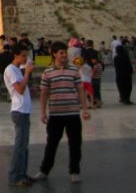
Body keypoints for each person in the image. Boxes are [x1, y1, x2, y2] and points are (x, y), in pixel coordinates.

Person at [32, 41, 90, 184]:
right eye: (61, 53)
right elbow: (44, 93)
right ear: (54, 54)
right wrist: (43, 112)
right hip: (56, 114)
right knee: (51, 144)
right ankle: (44, 170)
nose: (64, 55)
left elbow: (80, 90)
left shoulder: (73, 70)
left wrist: (85, 109)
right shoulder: (48, 72)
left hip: (72, 114)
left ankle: (75, 171)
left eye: (65, 53)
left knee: (75, 144)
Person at [4, 44, 34, 187]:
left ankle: (22, 173)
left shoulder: (17, 70)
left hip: (25, 110)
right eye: (23, 55)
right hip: (19, 110)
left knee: (24, 145)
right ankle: (15, 175)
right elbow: (20, 90)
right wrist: (27, 73)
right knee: (19, 145)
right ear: (15, 55)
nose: (25, 58)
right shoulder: (11, 70)